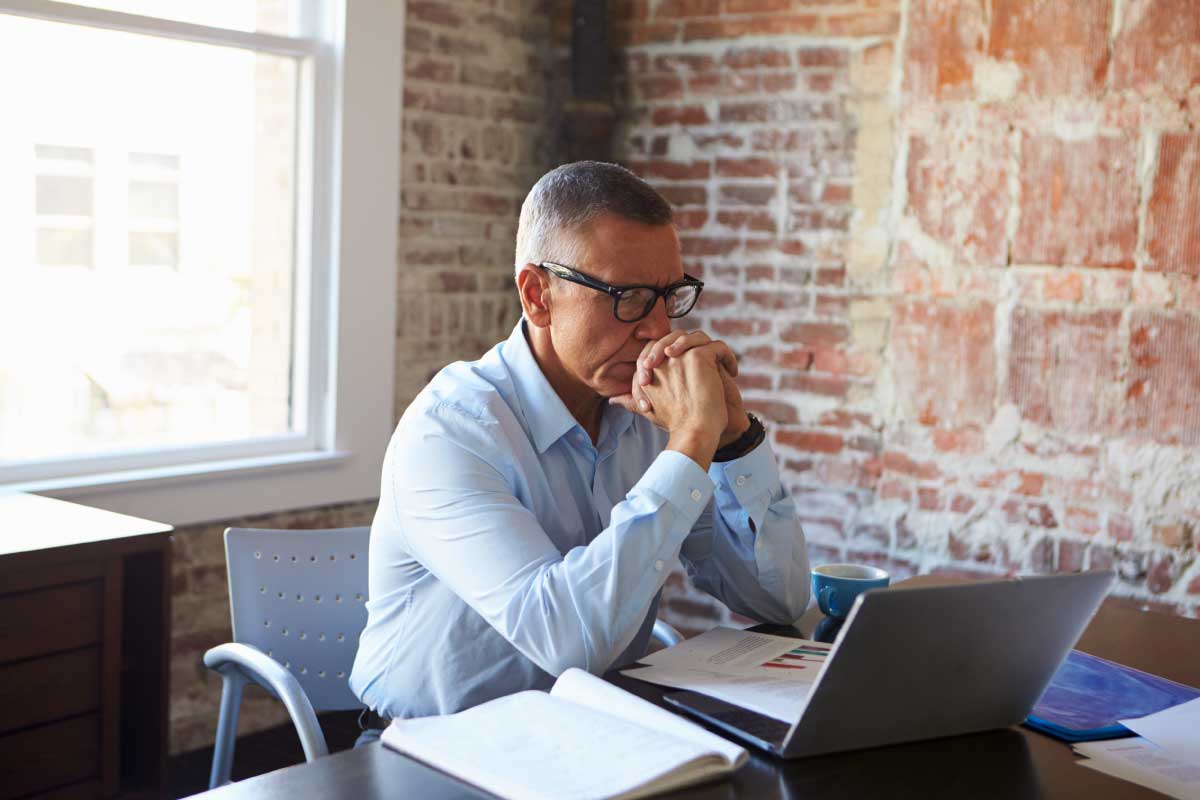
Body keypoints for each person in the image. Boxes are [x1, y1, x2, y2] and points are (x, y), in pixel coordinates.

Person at [349, 161, 810, 728]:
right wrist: (692, 440)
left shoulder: (647, 411)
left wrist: (734, 440)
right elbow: (566, 642)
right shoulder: (448, 432)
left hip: (594, 728)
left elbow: (778, 601)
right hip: (428, 746)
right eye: (629, 297)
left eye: (669, 295)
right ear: (537, 296)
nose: (657, 328)